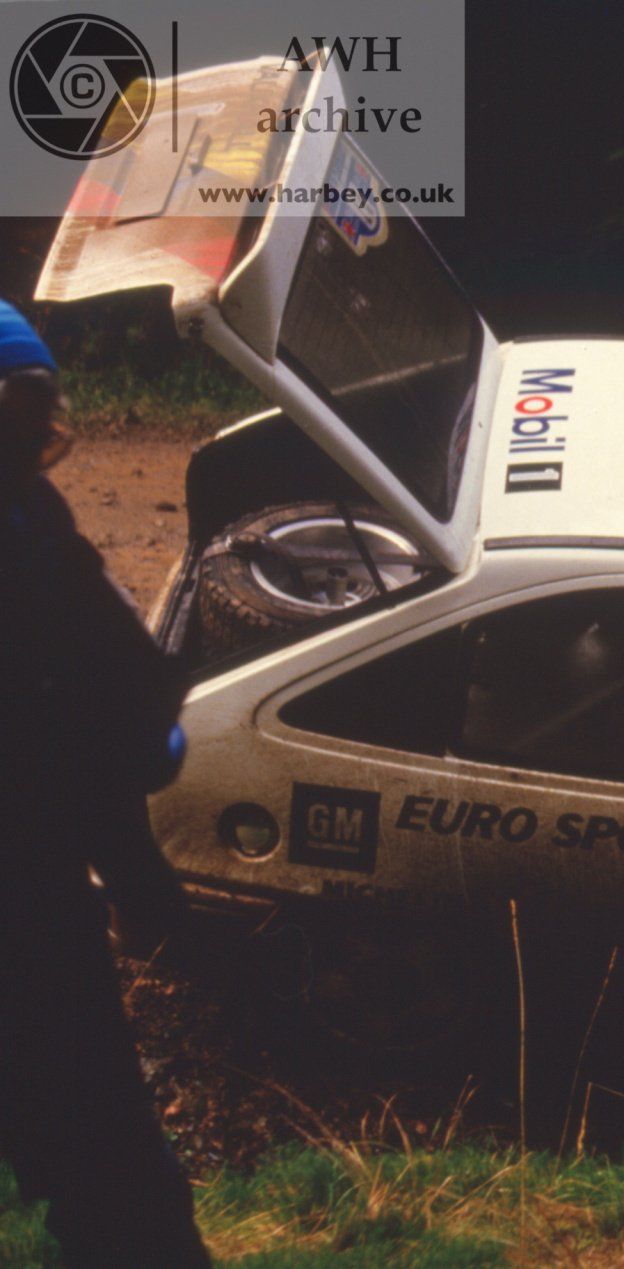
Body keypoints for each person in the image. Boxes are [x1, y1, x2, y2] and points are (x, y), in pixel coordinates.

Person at [0, 300, 209, 1267]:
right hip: (31, 914)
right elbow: (130, 733)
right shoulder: (28, 531)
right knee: (116, 1182)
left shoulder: (33, 523)